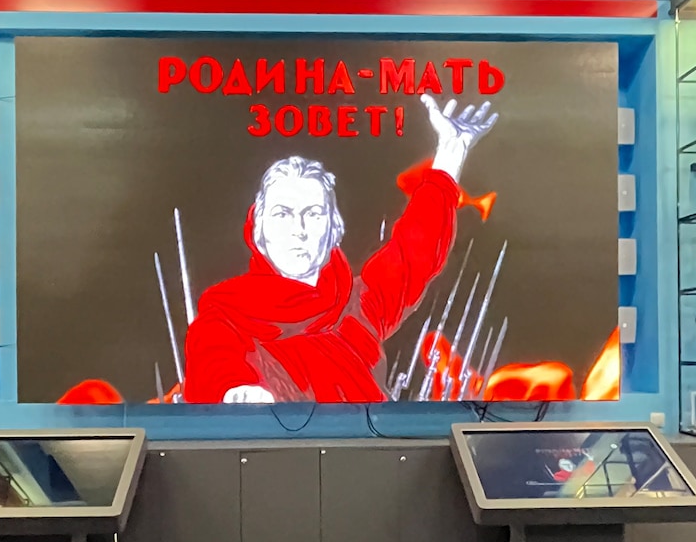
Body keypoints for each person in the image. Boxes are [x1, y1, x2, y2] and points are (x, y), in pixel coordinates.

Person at [181, 99, 496, 404]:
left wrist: (452, 152)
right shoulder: (226, 316)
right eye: (282, 214)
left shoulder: (359, 306)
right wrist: (236, 392)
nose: (299, 229)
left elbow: (416, 249)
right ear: (258, 229)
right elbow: (214, 360)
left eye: (313, 213)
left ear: (333, 228)